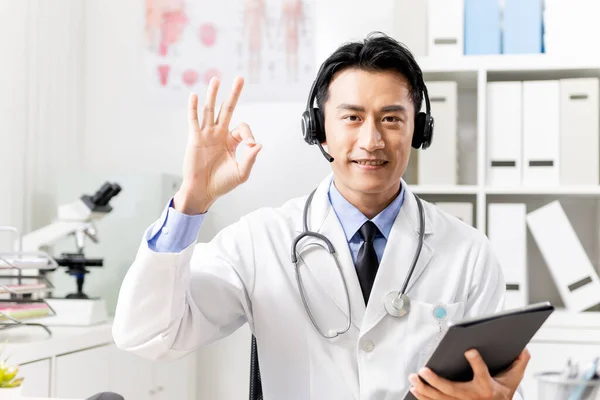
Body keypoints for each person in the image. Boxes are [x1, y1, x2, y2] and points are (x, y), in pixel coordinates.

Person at [112, 32, 530, 399]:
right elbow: (146, 335)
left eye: (391, 119)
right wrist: (190, 201)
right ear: (318, 128)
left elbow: (500, 385)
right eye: (351, 117)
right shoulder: (262, 241)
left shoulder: (468, 253)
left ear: (419, 131)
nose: (371, 140)